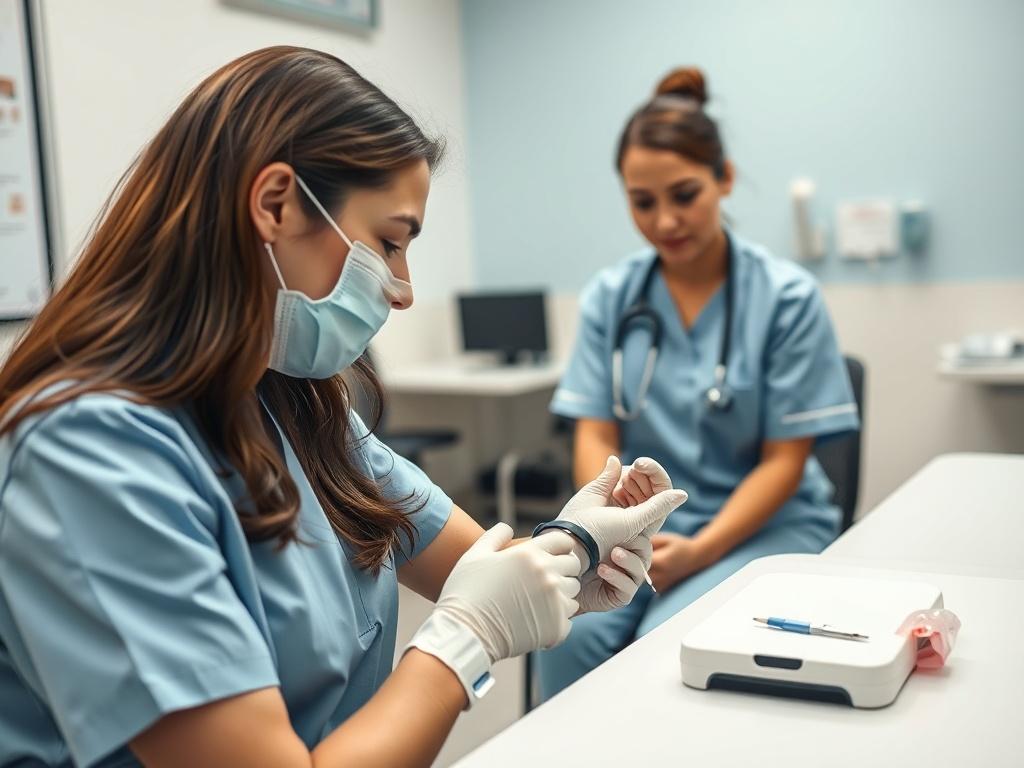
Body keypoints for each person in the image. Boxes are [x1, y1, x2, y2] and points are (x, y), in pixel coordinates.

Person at [0, 47, 688, 767]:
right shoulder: (84, 452)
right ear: (274, 204)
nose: (403, 286)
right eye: (389, 242)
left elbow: (472, 561)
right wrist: (461, 639)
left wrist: (578, 546)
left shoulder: (289, 400)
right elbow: (468, 607)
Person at [536, 67, 859, 701]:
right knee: (565, 634)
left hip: (765, 526)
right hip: (640, 525)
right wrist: (607, 523)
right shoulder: (612, 297)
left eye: (684, 194)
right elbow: (597, 431)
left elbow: (785, 462)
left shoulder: (786, 297)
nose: (665, 221)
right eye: (642, 201)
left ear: (725, 179)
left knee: (671, 645)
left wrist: (703, 549)